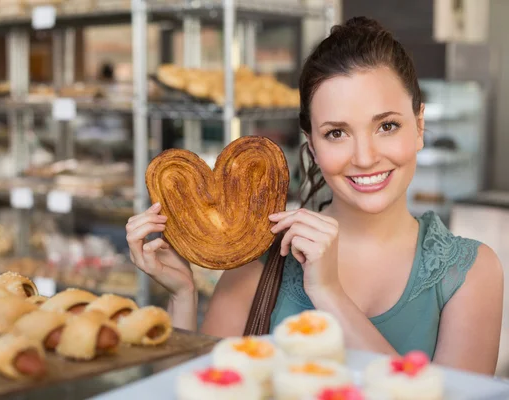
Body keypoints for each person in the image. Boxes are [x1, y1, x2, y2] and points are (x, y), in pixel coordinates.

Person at [125, 17, 503, 375]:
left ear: (419, 126)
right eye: (336, 133)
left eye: (387, 126)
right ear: (313, 146)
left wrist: (329, 294)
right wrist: (182, 297)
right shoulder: (258, 261)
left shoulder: (470, 273)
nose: (365, 157)